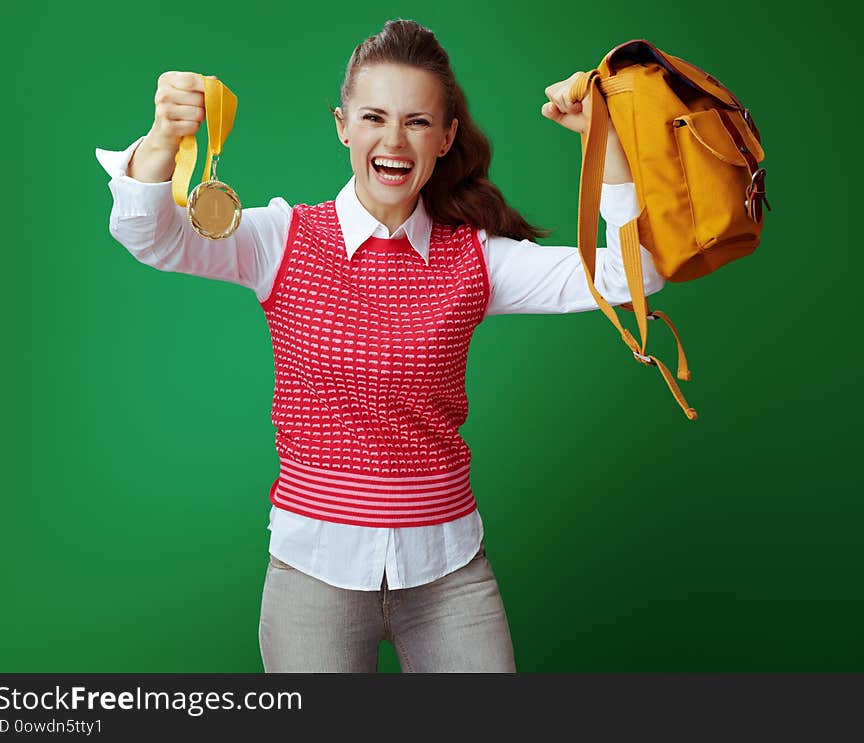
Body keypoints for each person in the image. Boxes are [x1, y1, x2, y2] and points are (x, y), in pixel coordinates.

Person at [95, 18, 664, 673]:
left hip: (449, 574)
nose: (395, 140)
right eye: (374, 116)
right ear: (343, 125)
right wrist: (166, 138)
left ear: (446, 137)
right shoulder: (281, 240)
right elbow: (151, 235)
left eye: (419, 122)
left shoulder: (475, 259)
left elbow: (634, 276)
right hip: (313, 577)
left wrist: (608, 143)